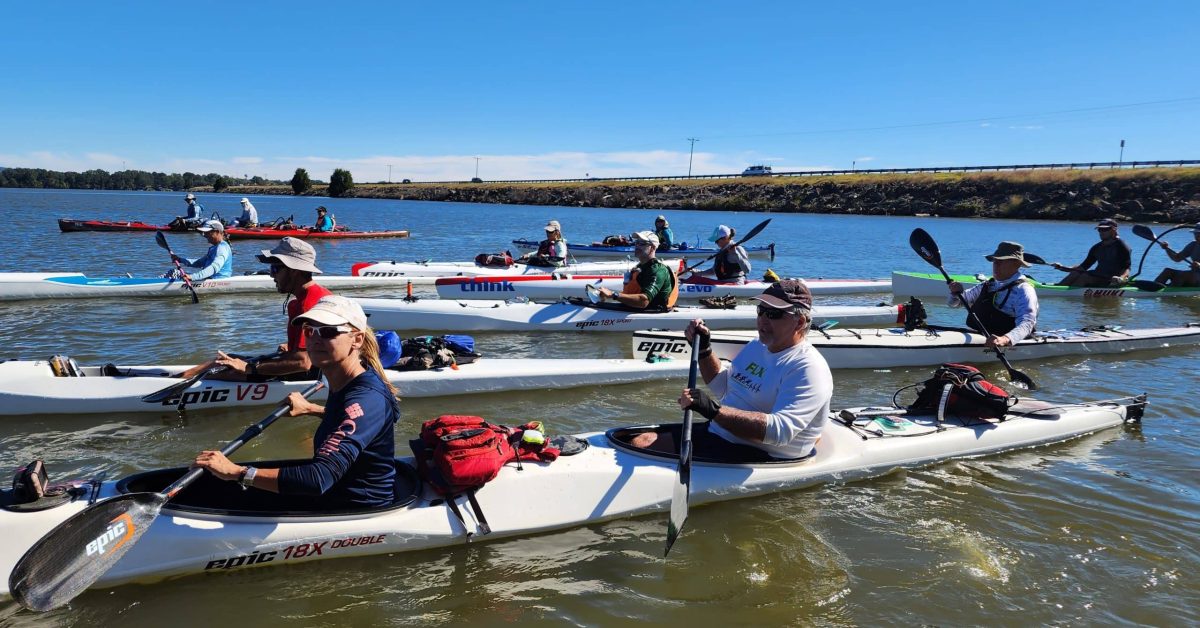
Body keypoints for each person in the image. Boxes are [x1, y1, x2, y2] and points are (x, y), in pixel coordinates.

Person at [193, 296, 400, 509]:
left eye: (328, 332)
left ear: (356, 340)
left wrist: (236, 472)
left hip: (357, 504)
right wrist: (312, 409)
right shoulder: (348, 379)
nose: (315, 340)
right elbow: (367, 418)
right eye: (310, 331)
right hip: (336, 488)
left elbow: (319, 479)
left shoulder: (366, 396)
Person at [630, 280, 832, 460]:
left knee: (641, 446)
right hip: (722, 433)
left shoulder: (808, 368)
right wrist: (704, 350)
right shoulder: (757, 346)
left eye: (773, 313)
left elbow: (780, 432)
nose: (762, 319)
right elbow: (723, 387)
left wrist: (713, 411)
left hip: (765, 452)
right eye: (760, 311)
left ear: (799, 322)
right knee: (638, 440)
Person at [175, 237, 331, 381]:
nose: (271, 275)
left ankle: (186, 382)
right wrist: (292, 347)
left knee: (223, 373)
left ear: (294, 271)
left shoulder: (308, 305)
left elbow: (302, 363)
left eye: (275, 269)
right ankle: (182, 377)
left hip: (312, 374)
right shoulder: (309, 297)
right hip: (305, 365)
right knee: (225, 359)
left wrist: (248, 368)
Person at [948, 241, 1039, 348]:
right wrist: (955, 293)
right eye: (995, 261)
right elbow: (954, 304)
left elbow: (1027, 323)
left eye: (1001, 261)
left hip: (1006, 342)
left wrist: (1005, 339)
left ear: (1016, 264)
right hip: (981, 338)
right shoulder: (987, 285)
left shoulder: (1024, 290)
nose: (996, 265)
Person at [595, 231, 678, 311]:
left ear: (652, 248)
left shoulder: (658, 270)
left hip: (652, 311)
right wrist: (607, 297)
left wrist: (612, 295)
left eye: (642, 244)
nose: (637, 246)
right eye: (637, 243)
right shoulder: (639, 267)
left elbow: (643, 301)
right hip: (636, 309)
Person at [1052, 218, 1132, 286]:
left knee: (1084, 277)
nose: (1101, 232)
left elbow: (1127, 268)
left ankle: (1065, 295)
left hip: (1112, 280)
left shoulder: (1122, 246)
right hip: (1098, 275)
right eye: (1100, 229)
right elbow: (1083, 266)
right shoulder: (1096, 248)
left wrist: (1121, 278)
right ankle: (1058, 290)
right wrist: (1062, 267)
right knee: (1076, 273)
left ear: (1113, 230)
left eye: (1105, 229)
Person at [168, 219, 233, 282]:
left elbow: (214, 268)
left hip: (218, 280)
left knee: (174, 273)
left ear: (217, 232)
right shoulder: (214, 248)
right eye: (204, 233)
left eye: (207, 232)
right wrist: (180, 259)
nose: (205, 235)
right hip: (208, 278)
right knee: (173, 272)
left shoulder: (222, 248)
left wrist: (192, 277)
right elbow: (199, 263)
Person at [1153, 222, 1200, 287]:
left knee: (1185, 274)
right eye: (1196, 233)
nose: (1197, 236)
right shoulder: (1193, 244)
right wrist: (1167, 249)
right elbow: (1177, 258)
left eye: (1199, 234)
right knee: (1167, 271)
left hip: (1196, 277)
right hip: (1194, 275)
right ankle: (1152, 289)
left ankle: (1168, 292)